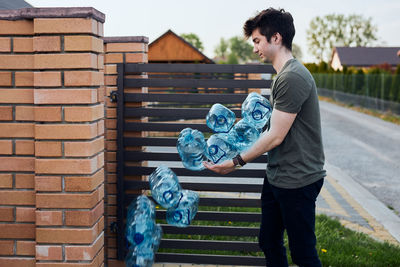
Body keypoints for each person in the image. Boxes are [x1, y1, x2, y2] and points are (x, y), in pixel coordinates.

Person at [203, 7, 326, 267]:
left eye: (257, 40)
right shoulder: (282, 75)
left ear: (276, 38)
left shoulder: (292, 77)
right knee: (269, 241)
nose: (254, 47)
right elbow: (271, 130)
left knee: (303, 252)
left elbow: (275, 137)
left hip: (298, 180)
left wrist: (234, 162)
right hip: (278, 176)